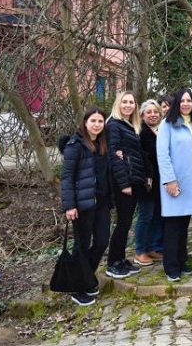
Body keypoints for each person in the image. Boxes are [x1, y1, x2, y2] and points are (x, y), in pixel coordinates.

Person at [60, 107, 112, 306]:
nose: (97, 125)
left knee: (101, 241)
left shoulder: (103, 144)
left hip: (101, 204)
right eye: (93, 121)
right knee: (81, 246)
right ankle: (79, 287)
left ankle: (85, 277)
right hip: (82, 205)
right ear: (85, 122)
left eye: (100, 121)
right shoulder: (76, 145)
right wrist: (69, 205)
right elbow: (66, 178)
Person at [157, 87, 192, 281]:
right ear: (177, 103)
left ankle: (182, 261)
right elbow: (163, 154)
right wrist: (169, 180)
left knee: (184, 224)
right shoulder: (168, 124)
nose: (186, 104)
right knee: (173, 225)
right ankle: (171, 267)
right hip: (175, 183)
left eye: (189, 101)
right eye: (182, 101)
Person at [105, 91, 150, 279]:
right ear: (118, 104)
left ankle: (121, 259)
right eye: (124, 102)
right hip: (123, 183)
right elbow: (114, 155)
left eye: (131, 102)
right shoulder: (114, 125)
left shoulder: (130, 126)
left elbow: (133, 154)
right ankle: (112, 263)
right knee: (122, 223)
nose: (128, 105)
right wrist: (123, 183)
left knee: (126, 223)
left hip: (133, 180)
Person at [133, 99, 164, 266]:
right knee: (145, 216)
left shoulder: (161, 130)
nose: (153, 115)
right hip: (147, 181)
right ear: (142, 115)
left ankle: (152, 247)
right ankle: (140, 251)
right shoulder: (141, 132)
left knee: (156, 216)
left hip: (160, 181)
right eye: (149, 112)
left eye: (155, 112)